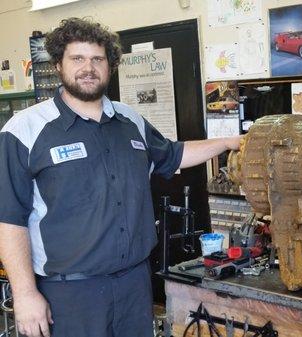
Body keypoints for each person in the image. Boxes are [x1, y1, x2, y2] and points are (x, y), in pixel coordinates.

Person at [0, 18, 242, 337]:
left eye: (98, 59)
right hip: (69, 295)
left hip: (134, 286)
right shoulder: (25, 131)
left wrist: (228, 142)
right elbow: (9, 221)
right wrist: (26, 294)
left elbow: (173, 154)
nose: (89, 68)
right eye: (78, 58)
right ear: (59, 64)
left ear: (110, 66)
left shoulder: (129, 119)